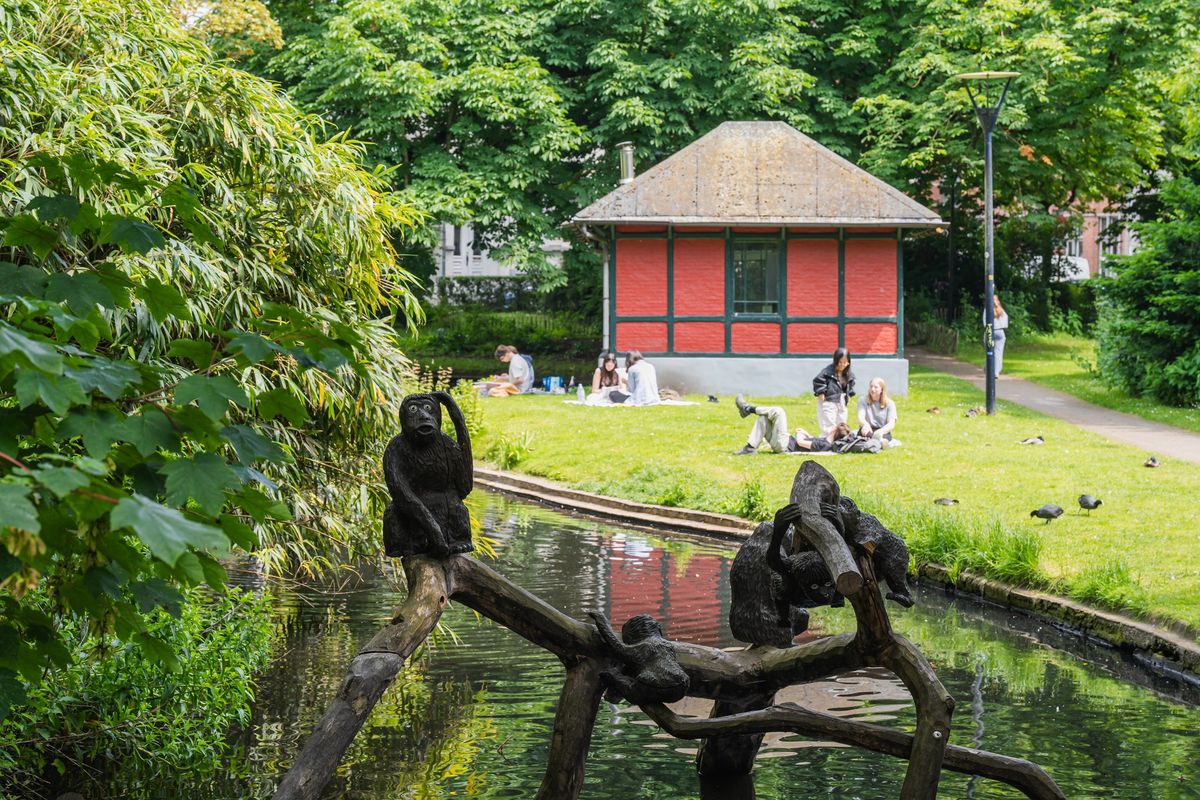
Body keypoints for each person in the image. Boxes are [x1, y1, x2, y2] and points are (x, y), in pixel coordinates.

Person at [733, 395, 850, 454]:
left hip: (785, 445)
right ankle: (750, 447)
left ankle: (748, 408)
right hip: (783, 443)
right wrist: (806, 433)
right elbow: (811, 444)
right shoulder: (824, 441)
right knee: (763, 418)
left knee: (779, 411)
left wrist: (799, 433)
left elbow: (800, 443)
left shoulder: (825, 445)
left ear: (834, 430)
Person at [812, 347, 855, 435]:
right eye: (840, 362)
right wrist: (821, 392)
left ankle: (839, 440)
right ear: (835, 361)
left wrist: (849, 394)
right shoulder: (827, 372)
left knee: (842, 422)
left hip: (842, 402)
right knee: (828, 422)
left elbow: (850, 384)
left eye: (845, 362)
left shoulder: (848, 374)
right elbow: (818, 380)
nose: (842, 365)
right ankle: (827, 439)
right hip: (829, 400)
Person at [856, 377, 897, 448]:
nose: (872, 389)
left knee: (882, 435)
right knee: (864, 432)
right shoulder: (862, 400)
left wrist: (881, 431)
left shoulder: (890, 403)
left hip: (882, 430)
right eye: (871, 386)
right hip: (868, 430)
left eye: (876, 387)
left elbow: (891, 424)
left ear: (881, 390)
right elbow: (861, 418)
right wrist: (865, 425)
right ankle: (880, 442)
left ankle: (877, 441)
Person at [985, 294, 1009, 378]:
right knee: (998, 353)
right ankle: (996, 372)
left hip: (990, 331)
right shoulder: (1001, 310)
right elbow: (1006, 323)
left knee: (989, 351)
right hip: (1000, 332)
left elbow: (985, 322)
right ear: (998, 301)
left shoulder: (987, 309)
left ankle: (989, 369)